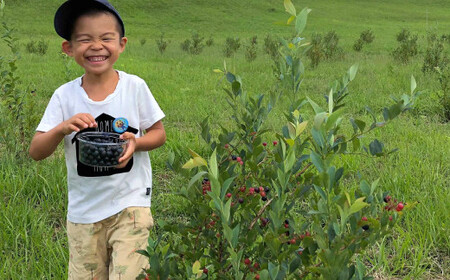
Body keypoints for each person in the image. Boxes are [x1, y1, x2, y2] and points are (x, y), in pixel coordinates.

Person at [29, 0, 166, 279]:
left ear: (121, 43)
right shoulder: (64, 96)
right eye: (85, 39)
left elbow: (159, 133)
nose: (96, 46)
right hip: (83, 213)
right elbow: (36, 151)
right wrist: (61, 129)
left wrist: (137, 143)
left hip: (131, 205)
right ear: (69, 48)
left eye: (106, 38)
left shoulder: (134, 87)